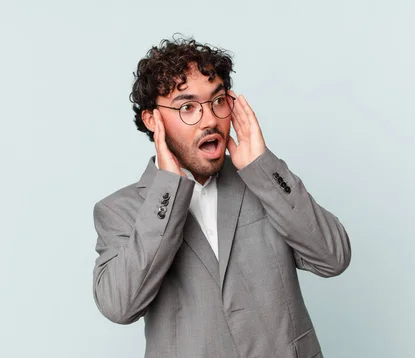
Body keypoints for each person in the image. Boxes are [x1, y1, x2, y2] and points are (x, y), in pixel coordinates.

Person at [92, 37, 351, 358]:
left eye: (217, 102)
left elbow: (333, 258)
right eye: (187, 107)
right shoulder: (118, 211)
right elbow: (120, 306)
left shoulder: (262, 183)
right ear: (152, 120)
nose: (210, 120)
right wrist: (168, 187)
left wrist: (262, 166)